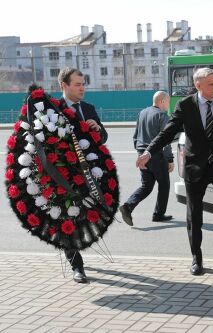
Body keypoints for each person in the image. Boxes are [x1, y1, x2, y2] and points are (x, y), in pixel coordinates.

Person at [136, 68, 213, 275]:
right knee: (194, 215)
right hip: (194, 167)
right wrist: (148, 152)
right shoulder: (185, 105)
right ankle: (196, 258)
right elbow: (167, 132)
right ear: (198, 85)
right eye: (211, 84)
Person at [58, 67, 108, 283]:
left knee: (83, 219)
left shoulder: (88, 108)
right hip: (63, 176)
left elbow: (103, 137)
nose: (82, 88)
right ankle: (77, 265)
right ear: (64, 86)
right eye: (77, 84)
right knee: (68, 219)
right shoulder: (53, 110)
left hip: (88, 175)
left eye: (83, 83)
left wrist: (97, 129)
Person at [119, 91, 174, 226]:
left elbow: (136, 135)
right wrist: (170, 159)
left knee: (146, 186)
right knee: (164, 185)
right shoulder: (162, 116)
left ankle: (128, 206)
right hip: (157, 156)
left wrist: (139, 154)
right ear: (162, 101)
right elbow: (165, 140)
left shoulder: (142, 113)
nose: (168, 104)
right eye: (167, 101)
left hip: (143, 155)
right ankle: (158, 214)